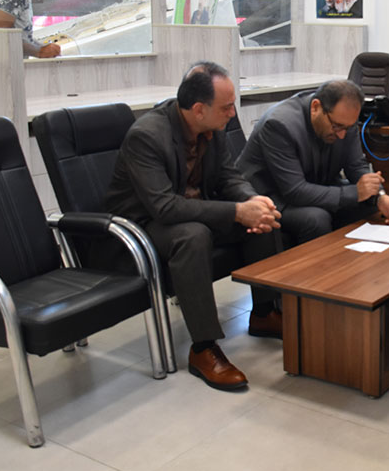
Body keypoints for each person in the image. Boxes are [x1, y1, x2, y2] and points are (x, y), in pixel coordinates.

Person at [104, 61, 282, 391]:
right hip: (142, 226)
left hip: (192, 210)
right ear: (199, 109)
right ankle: (203, 348)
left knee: (264, 220)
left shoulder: (212, 128)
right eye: (226, 107)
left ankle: (264, 312)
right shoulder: (147, 136)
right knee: (193, 235)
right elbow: (165, 206)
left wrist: (252, 201)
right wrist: (236, 211)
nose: (233, 114)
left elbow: (229, 177)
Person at [237, 79, 389, 247]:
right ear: (315, 107)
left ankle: (353, 262)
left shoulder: (344, 121)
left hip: (315, 186)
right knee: (316, 218)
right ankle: (315, 266)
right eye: (336, 126)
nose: (342, 135)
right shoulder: (279, 125)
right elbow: (295, 191)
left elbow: (356, 166)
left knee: (369, 208)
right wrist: (356, 193)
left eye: (348, 128)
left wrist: (379, 196)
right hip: (272, 198)